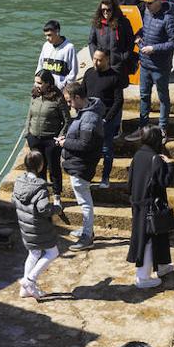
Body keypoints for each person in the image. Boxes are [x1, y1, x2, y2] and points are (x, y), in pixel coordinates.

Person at [126, 126, 174, 288]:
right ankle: (143, 277)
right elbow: (164, 182)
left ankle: (162, 266)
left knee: (157, 235)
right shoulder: (156, 158)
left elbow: (130, 181)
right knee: (147, 239)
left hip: (138, 202)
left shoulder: (138, 154)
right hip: (151, 205)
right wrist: (170, 165)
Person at [60, 80, 105, 251]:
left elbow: (85, 145)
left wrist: (65, 143)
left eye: (69, 101)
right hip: (78, 163)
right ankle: (87, 230)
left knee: (85, 203)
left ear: (78, 97)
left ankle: (87, 236)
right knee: (83, 200)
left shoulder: (89, 117)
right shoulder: (85, 111)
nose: (69, 105)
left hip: (82, 166)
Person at [12, 150, 61, 299]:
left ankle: (25, 291)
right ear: (40, 166)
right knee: (53, 252)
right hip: (39, 228)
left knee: (33, 253)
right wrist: (57, 207)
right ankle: (29, 280)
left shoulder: (19, 182)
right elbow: (44, 209)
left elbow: (13, 200)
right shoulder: (40, 188)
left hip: (25, 227)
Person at [26, 70, 70, 212]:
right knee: (39, 169)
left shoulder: (58, 98)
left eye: (39, 82)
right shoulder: (34, 95)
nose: (36, 84)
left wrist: (60, 137)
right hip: (35, 138)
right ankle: (42, 195)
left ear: (48, 84)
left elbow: (67, 120)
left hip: (51, 140)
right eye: (35, 81)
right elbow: (30, 115)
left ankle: (57, 196)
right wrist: (28, 133)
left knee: (54, 168)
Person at [135, 0, 174, 131]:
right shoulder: (147, 13)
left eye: (150, 3)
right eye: (146, 3)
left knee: (163, 98)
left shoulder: (169, 18)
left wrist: (154, 48)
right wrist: (139, 35)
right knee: (143, 95)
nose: (147, 6)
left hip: (160, 66)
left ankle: (163, 128)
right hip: (145, 64)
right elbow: (145, 30)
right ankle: (143, 126)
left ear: (159, 2)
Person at [85, 49, 126, 187]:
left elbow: (118, 101)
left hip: (106, 119)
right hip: (89, 117)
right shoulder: (89, 73)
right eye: (94, 59)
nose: (95, 62)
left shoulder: (114, 77)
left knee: (106, 150)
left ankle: (105, 177)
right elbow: (83, 93)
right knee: (89, 149)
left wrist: (107, 119)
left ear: (107, 59)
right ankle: (88, 176)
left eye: (99, 60)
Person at [88, 0, 136, 78]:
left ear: (114, 10)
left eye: (108, 10)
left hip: (118, 65)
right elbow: (91, 42)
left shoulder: (123, 22)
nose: (105, 12)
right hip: (101, 64)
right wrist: (95, 58)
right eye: (103, 10)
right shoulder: (97, 23)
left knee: (118, 89)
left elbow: (131, 41)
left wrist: (123, 57)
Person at [36, 20, 78, 91]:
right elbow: (40, 65)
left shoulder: (69, 48)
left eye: (49, 35)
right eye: (46, 35)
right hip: (45, 88)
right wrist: (37, 83)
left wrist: (66, 88)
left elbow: (73, 72)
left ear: (57, 32)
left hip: (60, 90)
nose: (47, 38)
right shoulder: (46, 46)